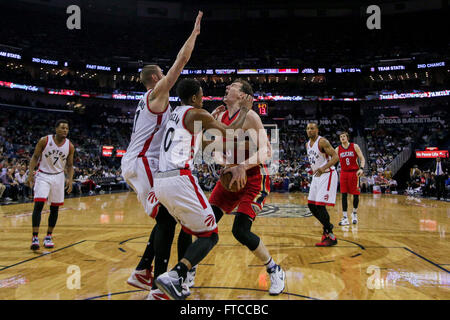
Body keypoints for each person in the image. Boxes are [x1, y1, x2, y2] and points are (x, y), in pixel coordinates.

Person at [121, 11, 203, 300]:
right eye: (163, 76)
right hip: (142, 163)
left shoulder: (152, 104)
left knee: (166, 217)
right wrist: (193, 35)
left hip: (141, 163)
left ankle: (143, 270)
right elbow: (180, 63)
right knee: (168, 220)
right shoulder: (157, 94)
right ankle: (157, 286)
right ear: (156, 78)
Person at [154, 78, 251, 300]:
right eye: (202, 95)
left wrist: (212, 120)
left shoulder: (176, 113)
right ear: (195, 97)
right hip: (179, 179)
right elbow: (229, 133)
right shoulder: (197, 113)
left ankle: (181, 281)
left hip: (161, 182)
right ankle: (176, 274)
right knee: (211, 235)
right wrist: (245, 111)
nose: (204, 98)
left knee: (188, 229)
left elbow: (203, 143)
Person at [208, 79, 286, 296]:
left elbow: (267, 151)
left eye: (232, 86)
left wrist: (242, 165)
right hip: (230, 176)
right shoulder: (220, 117)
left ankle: (274, 268)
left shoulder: (251, 117)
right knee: (205, 224)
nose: (227, 87)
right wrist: (226, 164)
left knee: (240, 231)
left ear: (242, 95)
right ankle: (189, 271)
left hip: (253, 178)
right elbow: (213, 149)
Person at [26, 119, 74, 250]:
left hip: (58, 176)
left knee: (54, 208)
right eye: (63, 128)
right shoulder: (45, 140)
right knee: (39, 203)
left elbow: (70, 165)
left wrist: (70, 179)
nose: (65, 130)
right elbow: (35, 157)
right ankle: (35, 237)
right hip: (43, 175)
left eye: (67, 128)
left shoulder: (70, 146)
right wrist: (30, 173)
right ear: (56, 129)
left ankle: (48, 236)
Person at [306, 122, 339, 246]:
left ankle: (330, 235)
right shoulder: (307, 145)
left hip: (327, 174)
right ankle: (328, 225)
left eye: (312, 128)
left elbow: (336, 157)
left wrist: (323, 167)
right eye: (308, 128)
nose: (310, 130)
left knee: (320, 205)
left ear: (317, 130)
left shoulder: (322, 142)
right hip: (316, 176)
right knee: (311, 205)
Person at [335, 132, 365, 226]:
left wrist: (361, 168)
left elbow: (362, 159)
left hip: (354, 172)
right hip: (343, 173)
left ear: (347, 138)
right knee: (343, 195)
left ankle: (354, 214)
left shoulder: (354, 146)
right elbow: (332, 161)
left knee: (355, 195)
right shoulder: (337, 149)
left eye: (344, 136)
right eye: (341, 137)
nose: (342, 138)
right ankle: (345, 218)